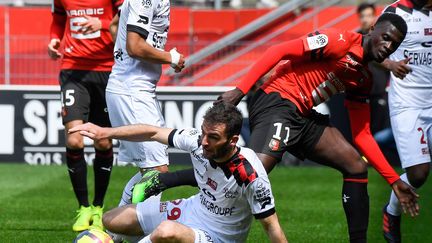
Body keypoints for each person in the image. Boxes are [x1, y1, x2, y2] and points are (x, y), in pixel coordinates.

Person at [132, 13, 420, 243]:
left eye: (394, 45)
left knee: (355, 166)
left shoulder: (364, 79)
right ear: (372, 30)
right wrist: (240, 90)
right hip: (277, 101)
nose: (388, 46)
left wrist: (394, 180)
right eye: (385, 38)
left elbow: (362, 135)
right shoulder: (340, 39)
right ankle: (164, 181)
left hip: (304, 115)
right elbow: (279, 49)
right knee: (248, 172)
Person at [70, 103, 288, 243]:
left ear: (232, 140)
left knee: (166, 231)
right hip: (193, 210)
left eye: (212, 137)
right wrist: (105, 132)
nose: (204, 142)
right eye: (203, 133)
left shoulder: (249, 173)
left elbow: (272, 227)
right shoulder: (197, 140)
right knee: (113, 219)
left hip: (219, 237)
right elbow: (152, 132)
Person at [48, 0, 122, 231]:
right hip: (73, 69)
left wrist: (100, 23)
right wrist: (54, 39)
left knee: (102, 140)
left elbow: (125, 23)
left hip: (107, 69)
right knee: (73, 138)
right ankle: (83, 208)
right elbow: (59, 19)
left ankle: (98, 207)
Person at [380, 1, 432, 242]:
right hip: (408, 104)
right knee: (419, 174)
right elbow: (369, 47)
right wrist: (390, 64)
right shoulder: (394, 11)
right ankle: (391, 213)